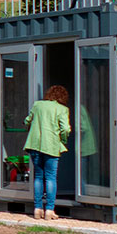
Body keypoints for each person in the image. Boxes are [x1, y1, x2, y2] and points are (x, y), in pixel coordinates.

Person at [24, 84, 73, 220]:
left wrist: (30, 126)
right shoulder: (62, 109)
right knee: (50, 177)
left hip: (35, 145)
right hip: (51, 145)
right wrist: (62, 140)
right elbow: (66, 129)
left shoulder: (38, 105)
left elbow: (27, 120)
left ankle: (37, 208)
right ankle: (50, 210)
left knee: (38, 176)